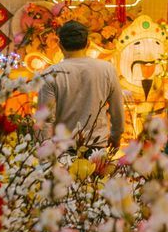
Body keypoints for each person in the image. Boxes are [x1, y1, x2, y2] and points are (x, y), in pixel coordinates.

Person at [28, 19, 125, 153]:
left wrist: (45, 150)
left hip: (62, 149)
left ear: (60, 45)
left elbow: (45, 119)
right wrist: (116, 136)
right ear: (88, 44)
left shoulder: (50, 74)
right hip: (96, 148)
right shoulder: (107, 69)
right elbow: (117, 108)